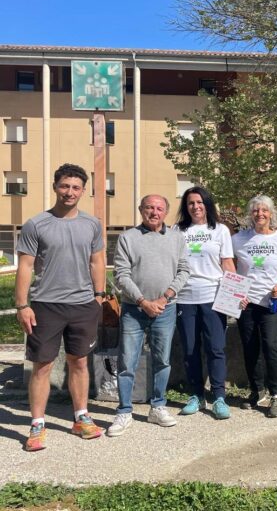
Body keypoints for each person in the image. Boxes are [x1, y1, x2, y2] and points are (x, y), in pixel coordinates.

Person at [15, 164, 106, 451]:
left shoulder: (92, 224)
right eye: (65, 186)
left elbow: (97, 261)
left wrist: (99, 296)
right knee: (42, 366)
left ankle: (81, 417)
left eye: (76, 187)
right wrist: (22, 305)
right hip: (46, 305)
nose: (70, 192)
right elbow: (25, 266)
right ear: (55, 187)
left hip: (83, 305)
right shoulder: (36, 224)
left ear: (83, 191)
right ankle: (37, 424)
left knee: (79, 362)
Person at [109, 195, 190, 437]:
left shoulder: (177, 238)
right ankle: (124, 411)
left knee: (162, 360)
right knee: (127, 362)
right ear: (140, 209)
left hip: (166, 309)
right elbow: (121, 275)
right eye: (149, 208)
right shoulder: (127, 238)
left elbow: (184, 270)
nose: (154, 212)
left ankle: (158, 406)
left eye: (159, 208)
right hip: (134, 310)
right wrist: (143, 302)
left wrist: (164, 298)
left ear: (166, 212)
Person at [173, 186, 236, 420]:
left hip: (213, 296)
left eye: (199, 202)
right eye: (191, 203)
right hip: (184, 298)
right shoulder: (177, 230)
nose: (195, 206)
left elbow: (227, 264)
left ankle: (219, 397)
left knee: (215, 348)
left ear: (207, 204)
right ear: (185, 206)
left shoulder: (220, 230)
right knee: (190, 349)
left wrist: (237, 294)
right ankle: (196, 395)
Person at [232, 195, 277, 418]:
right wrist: (235, 293)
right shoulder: (238, 239)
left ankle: (276, 394)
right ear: (250, 214)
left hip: (270, 303)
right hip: (246, 303)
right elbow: (228, 267)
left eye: (264, 210)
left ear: (271, 214)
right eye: (256, 210)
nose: (260, 214)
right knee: (250, 348)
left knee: (270, 346)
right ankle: (257, 390)